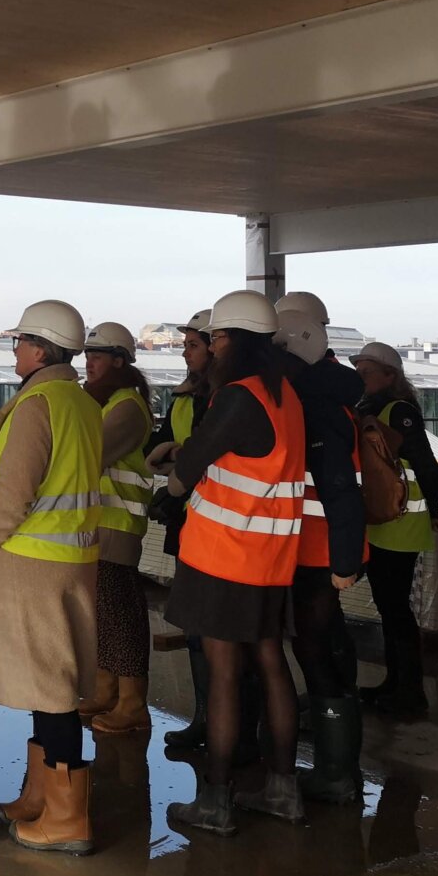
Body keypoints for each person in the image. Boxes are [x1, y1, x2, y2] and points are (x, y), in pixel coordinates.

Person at [164, 290, 308, 836]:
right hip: (271, 557)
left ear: (233, 341)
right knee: (271, 664)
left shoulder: (238, 396)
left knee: (223, 673)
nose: (213, 346)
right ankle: (282, 790)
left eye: (217, 337)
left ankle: (215, 801)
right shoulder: (285, 396)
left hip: (224, 554)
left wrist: (173, 490)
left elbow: (193, 464)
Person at [0, 300, 103, 854]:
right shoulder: (76, 400)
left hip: (32, 564)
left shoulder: (37, 406)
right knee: (49, 684)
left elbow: (14, 489)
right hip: (71, 560)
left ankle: (67, 819)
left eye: (19, 341)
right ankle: (40, 797)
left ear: (40, 349)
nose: (13, 350)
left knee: (51, 693)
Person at [272, 306, 367, 802]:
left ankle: (335, 774)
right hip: (315, 547)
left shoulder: (317, 410)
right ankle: (339, 768)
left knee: (316, 650)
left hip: (319, 551)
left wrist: (344, 562)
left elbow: (340, 487)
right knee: (322, 646)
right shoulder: (325, 398)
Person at [352, 340, 438, 720]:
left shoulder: (398, 411)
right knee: (389, 608)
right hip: (382, 522)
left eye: (368, 373)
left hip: (401, 523)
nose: (361, 379)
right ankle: (395, 684)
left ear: (390, 376)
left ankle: (409, 691)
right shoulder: (370, 410)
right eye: (357, 373)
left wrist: (435, 510)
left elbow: (425, 465)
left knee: (396, 610)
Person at [77, 322, 156, 736]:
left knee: (120, 613)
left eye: (98, 356)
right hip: (100, 523)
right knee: (104, 613)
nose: (88, 363)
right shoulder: (108, 402)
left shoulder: (126, 406)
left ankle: (132, 702)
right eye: (87, 355)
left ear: (120, 361)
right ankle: (107, 689)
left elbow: (90, 452)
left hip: (118, 524)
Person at [147, 309, 211, 755]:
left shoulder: (225, 399)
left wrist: (177, 454)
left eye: (192, 344)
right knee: (193, 626)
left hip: (216, 523)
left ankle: (223, 722)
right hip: (189, 517)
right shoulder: (185, 398)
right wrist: (174, 451)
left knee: (213, 632)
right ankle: (205, 717)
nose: (185, 353)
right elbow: (159, 447)